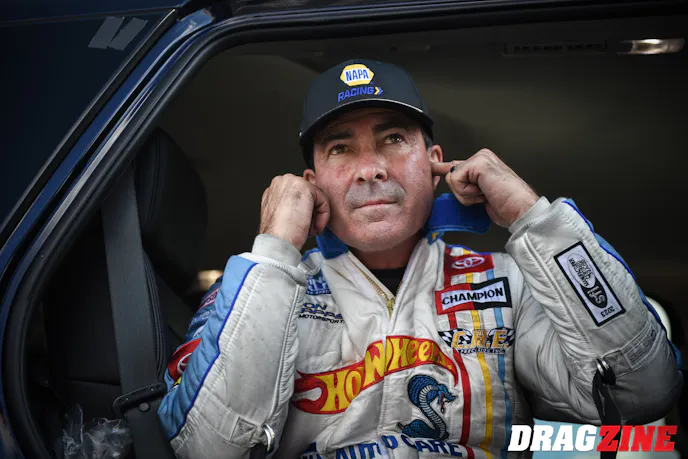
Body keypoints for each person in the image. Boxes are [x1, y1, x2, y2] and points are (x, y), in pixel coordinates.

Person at [157, 59, 683, 459]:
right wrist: (276, 248)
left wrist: (532, 217)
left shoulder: (508, 284)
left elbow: (642, 392)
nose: (370, 169)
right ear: (311, 183)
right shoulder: (258, 290)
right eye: (341, 148)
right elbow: (206, 449)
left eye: (393, 139)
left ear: (434, 164)